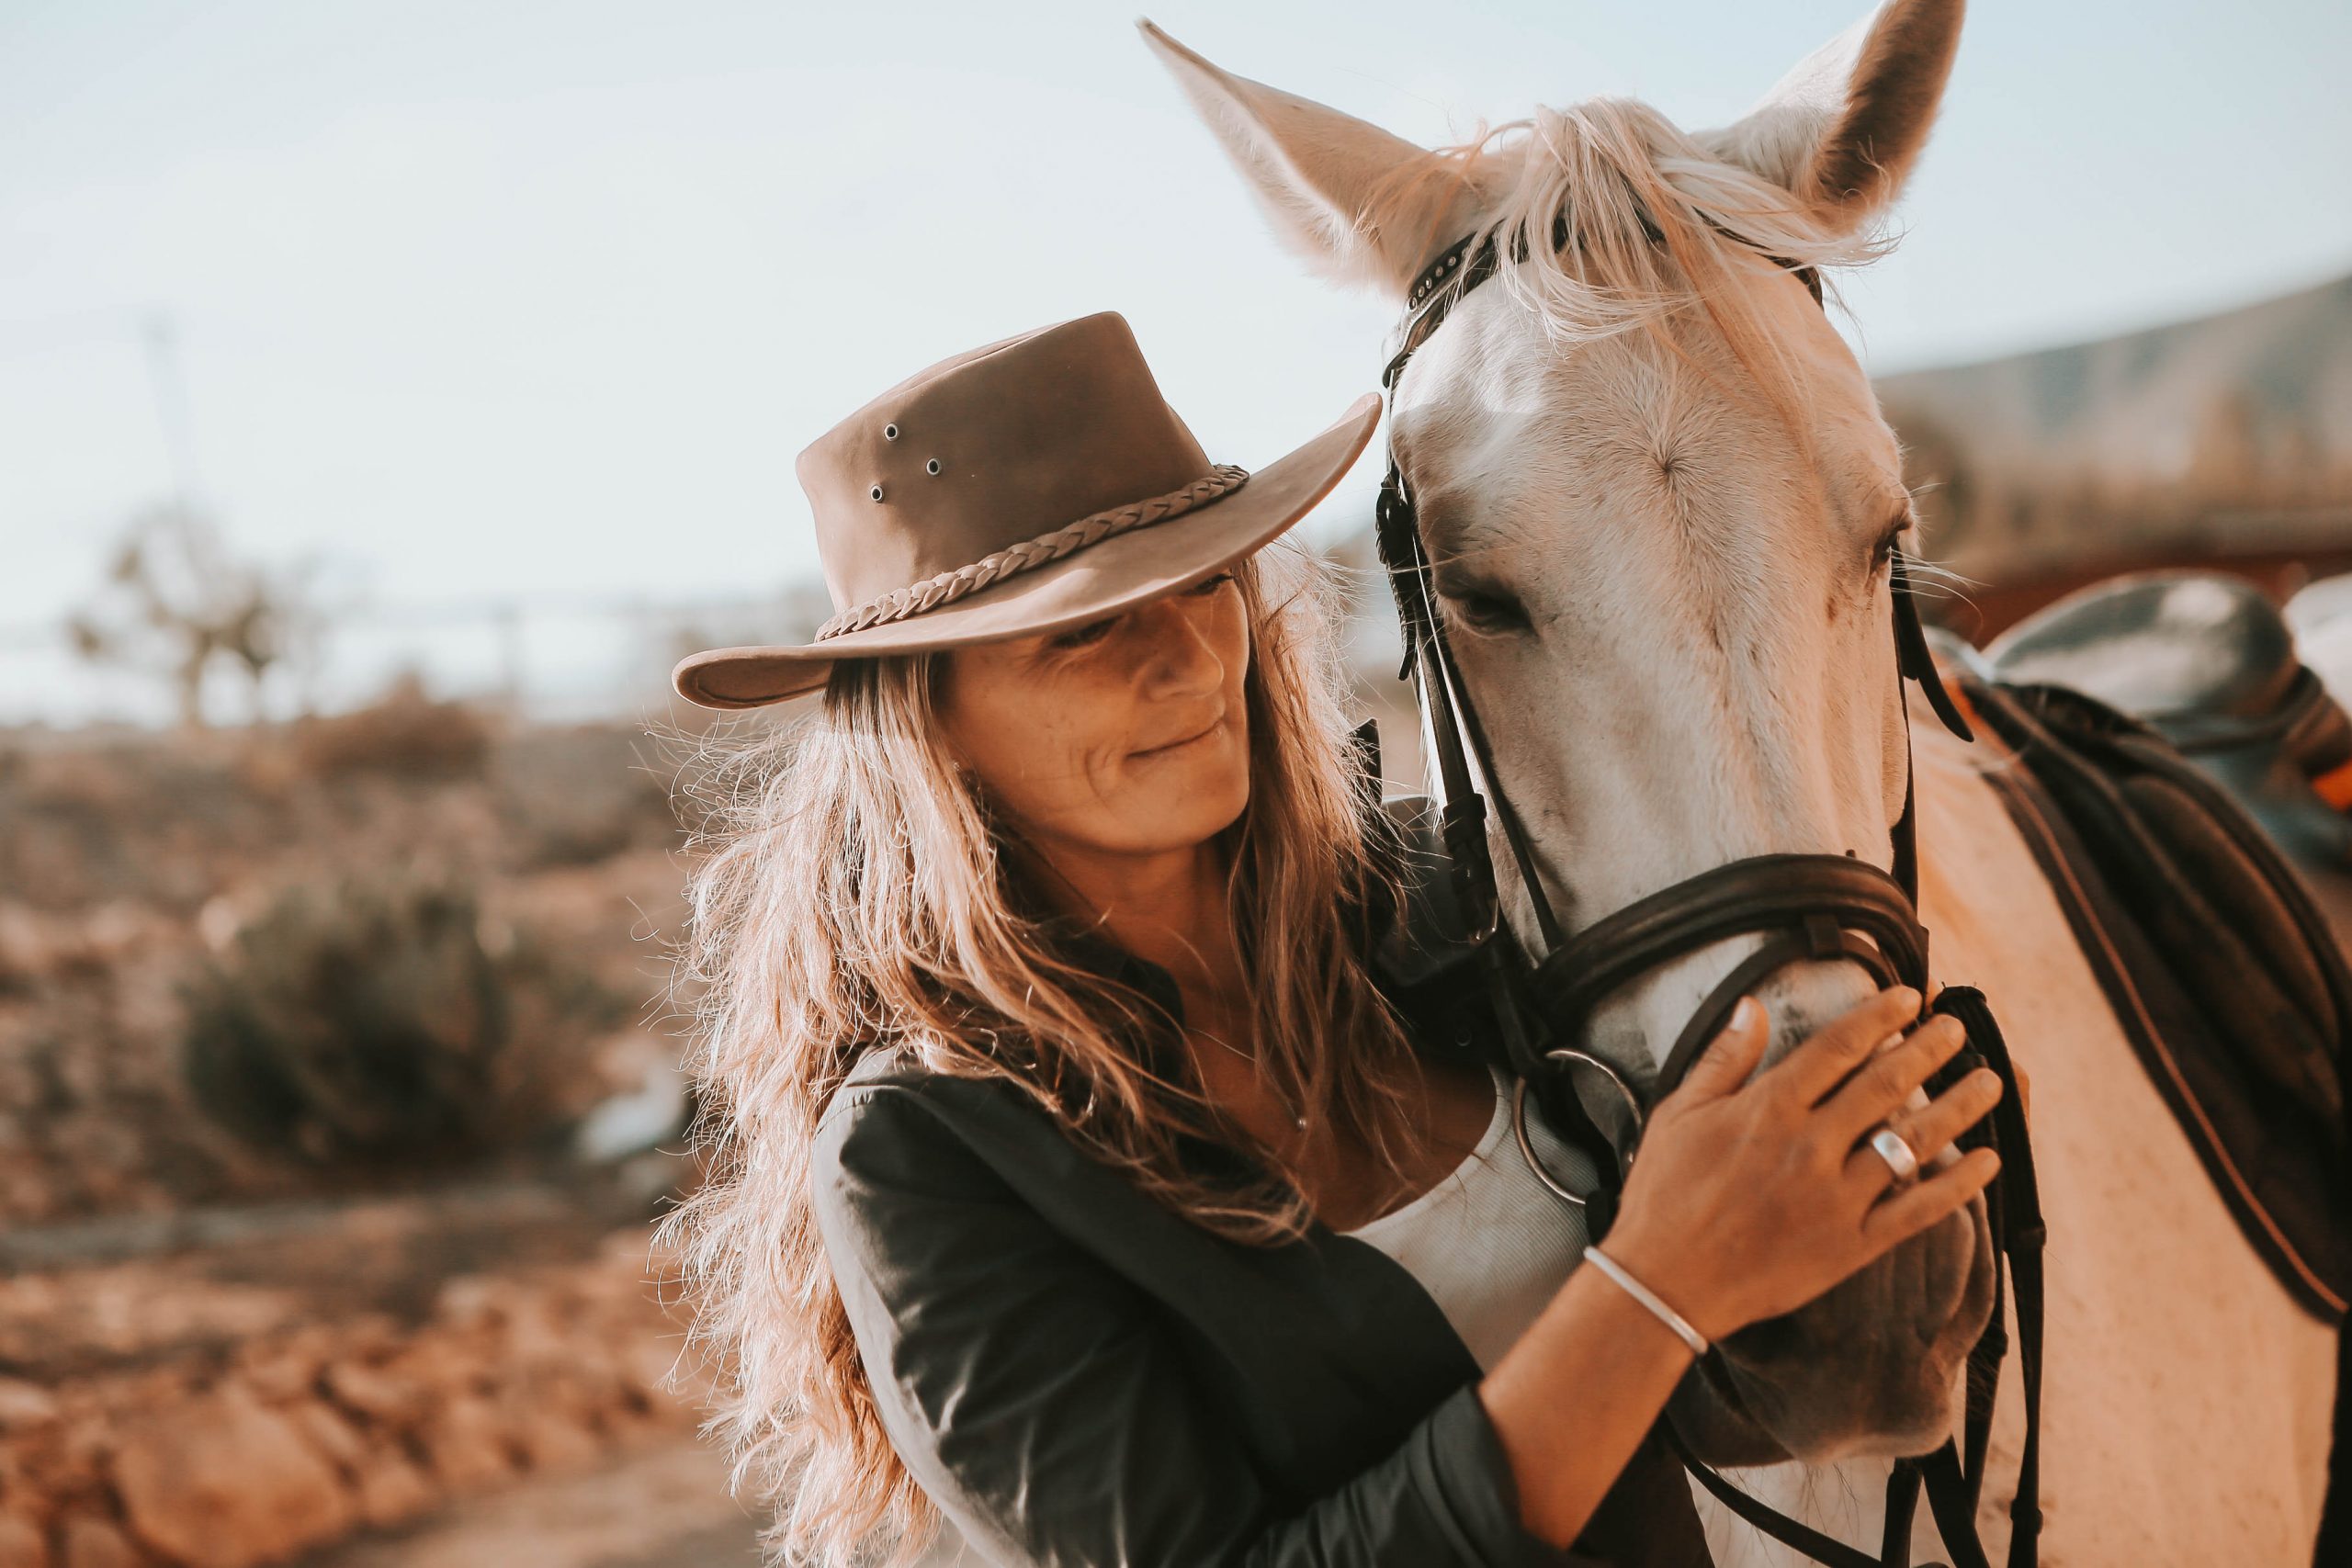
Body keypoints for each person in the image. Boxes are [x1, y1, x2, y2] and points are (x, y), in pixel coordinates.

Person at [661, 311, 2003, 1567]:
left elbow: (1687, 1403)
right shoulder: (932, 1153)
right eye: (1081, 630)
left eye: (1201, 585)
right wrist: (1655, 1284)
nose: (1187, 661)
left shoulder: (1427, 908)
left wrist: (1824, 1211)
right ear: (926, 721)